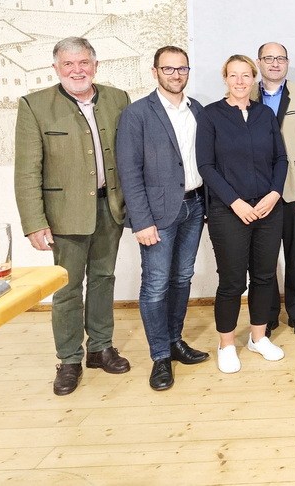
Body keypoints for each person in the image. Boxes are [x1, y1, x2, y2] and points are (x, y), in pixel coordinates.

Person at [14, 36, 131, 396]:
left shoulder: (118, 98)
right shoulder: (35, 105)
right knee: (67, 289)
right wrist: (34, 222)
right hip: (64, 215)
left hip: (110, 208)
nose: (77, 70)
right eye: (68, 64)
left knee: (103, 279)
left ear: (95, 66)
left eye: (83, 63)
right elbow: (27, 171)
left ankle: (100, 348)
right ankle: (68, 360)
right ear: (56, 68)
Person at [116, 46, 209, 391]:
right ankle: (159, 357)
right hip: (156, 213)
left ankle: (174, 341)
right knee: (155, 285)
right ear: (155, 72)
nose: (176, 74)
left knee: (182, 277)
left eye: (182, 68)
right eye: (168, 69)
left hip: (194, 206)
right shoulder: (137, 114)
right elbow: (129, 171)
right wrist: (141, 221)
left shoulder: (197, 110)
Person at [197, 55, 288, 373]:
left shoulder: (265, 114)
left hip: (267, 209)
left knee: (264, 276)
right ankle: (226, 345)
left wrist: (274, 194)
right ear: (225, 79)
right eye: (233, 75)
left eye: (245, 75)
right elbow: (206, 165)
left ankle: (258, 338)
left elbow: (281, 159)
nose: (239, 81)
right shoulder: (210, 115)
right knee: (232, 281)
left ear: (254, 79)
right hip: (228, 211)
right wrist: (235, 202)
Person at [254, 42, 295, 340]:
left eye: (280, 58)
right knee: (263, 259)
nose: (275, 63)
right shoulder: (245, 93)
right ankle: (266, 316)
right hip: (258, 190)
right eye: (268, 58)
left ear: (287, 62)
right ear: (259, 62)